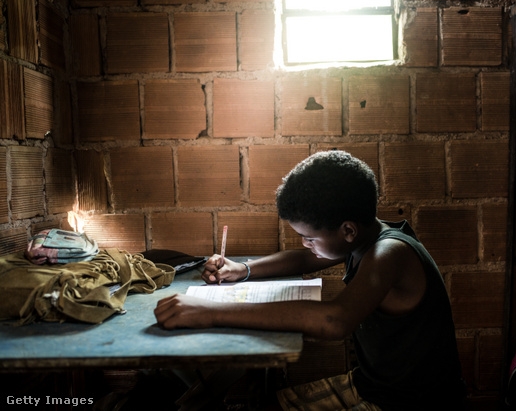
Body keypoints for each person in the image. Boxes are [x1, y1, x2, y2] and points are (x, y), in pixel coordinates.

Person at [154, 150, 466, 410]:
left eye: (308, 237)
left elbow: (335, 320)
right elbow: (306, 258)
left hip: (410, 403)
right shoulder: (362, 238)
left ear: (347, 230)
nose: (306, 244)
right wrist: (243, 269)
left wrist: (208, 311)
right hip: (377, 385)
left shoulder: (389, 253)